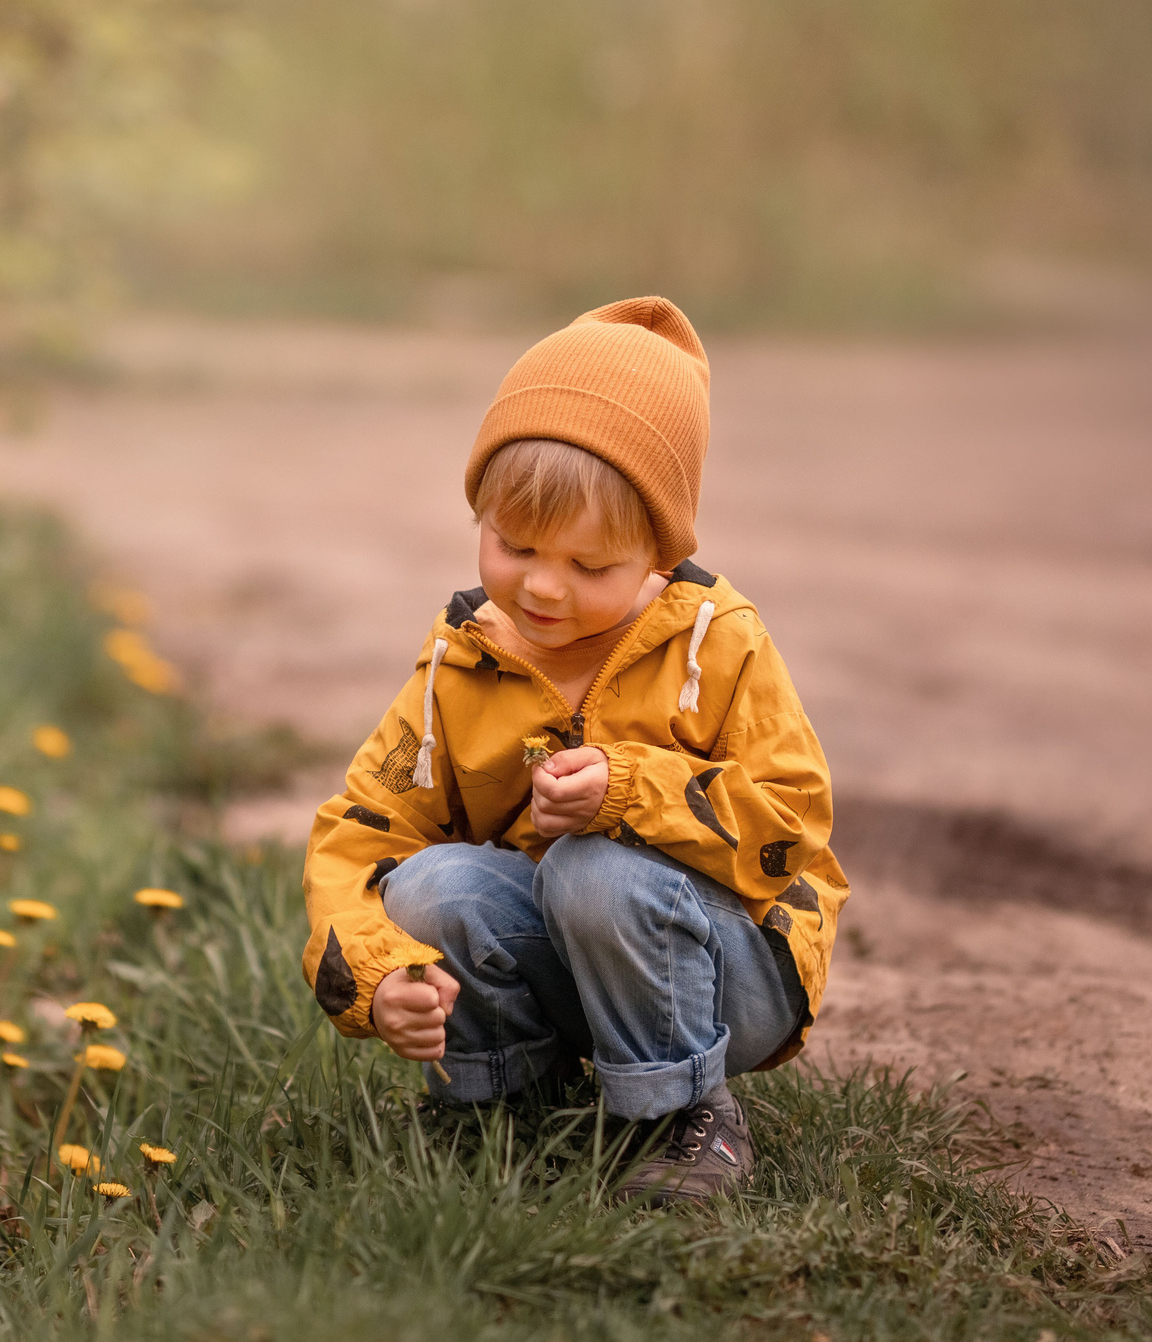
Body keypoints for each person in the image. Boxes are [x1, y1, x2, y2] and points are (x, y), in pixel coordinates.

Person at [299, 296, 848, 1205]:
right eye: (514, 545)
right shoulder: (463, 659)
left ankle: (685, 1112)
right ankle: (507, 1099)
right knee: (431, 883)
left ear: (659, 558)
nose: (543, 586)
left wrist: (635, 789)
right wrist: (377, 973)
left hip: (729, 967)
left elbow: (791, 829)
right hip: (570, 961)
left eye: (591, 567)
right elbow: (364, 833)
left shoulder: (717, 643)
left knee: (595, 868)